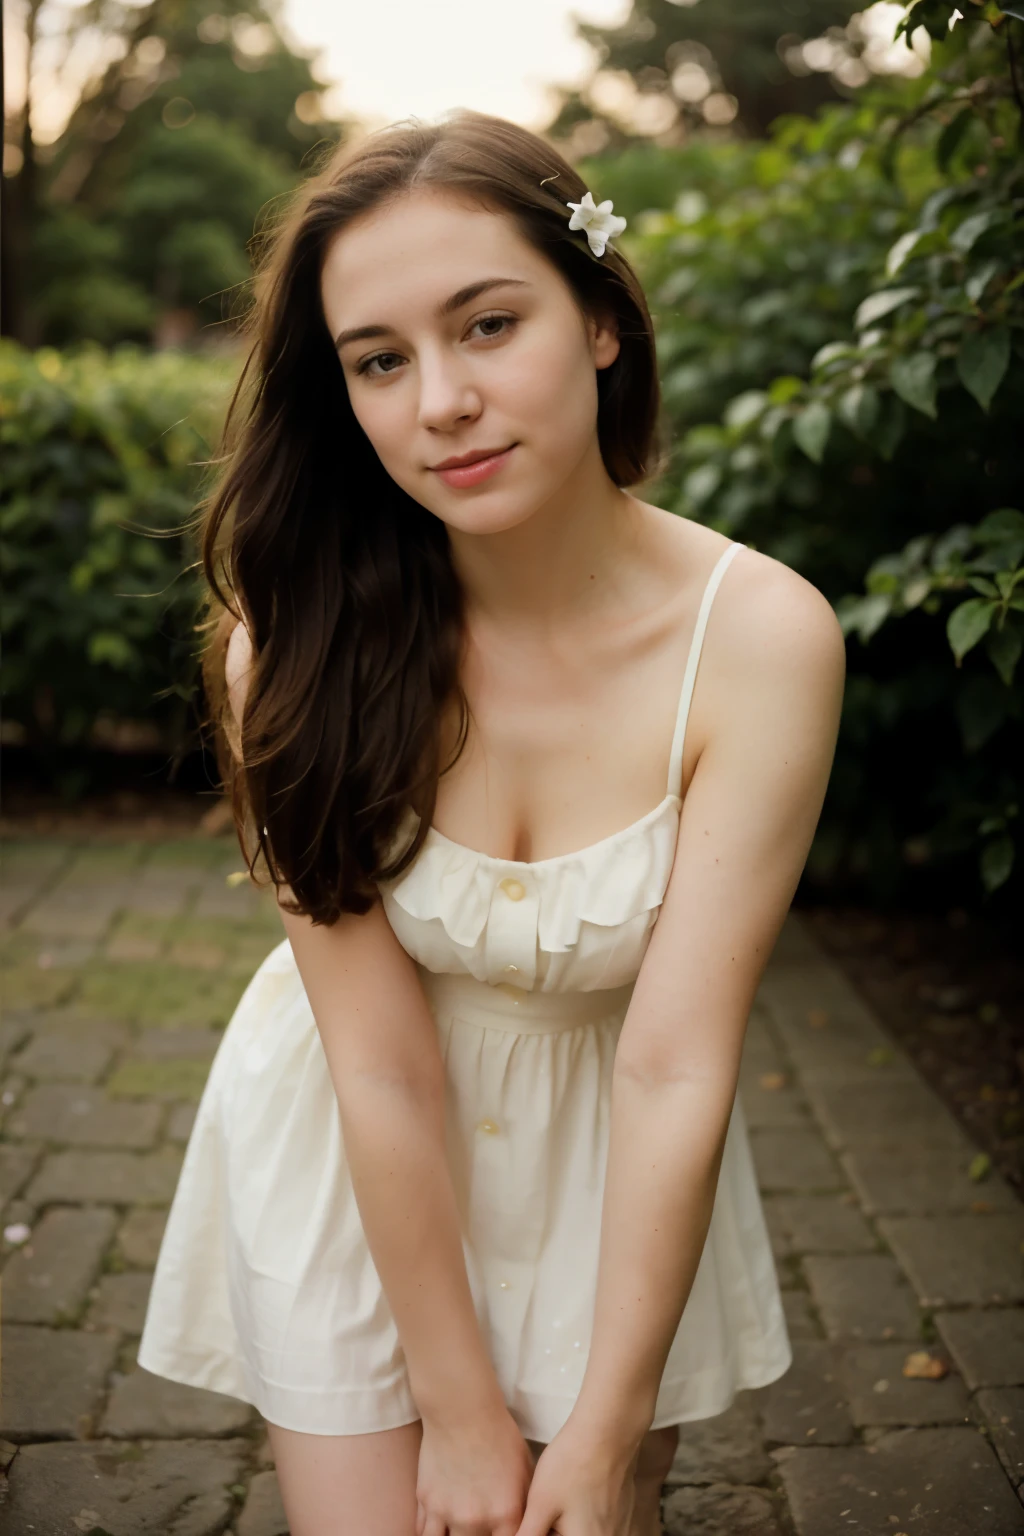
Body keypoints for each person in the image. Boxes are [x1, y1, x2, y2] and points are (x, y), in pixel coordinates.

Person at [138, 109, 845, 1536]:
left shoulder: (760, 638)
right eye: (380, 362)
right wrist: (458, 1419)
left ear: (597, 320)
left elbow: (671, 1064)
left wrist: (600, 1435)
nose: (441, 401)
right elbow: (379, 1062)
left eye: (488, 325)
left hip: (617, 1154)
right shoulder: (291, 643)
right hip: (356, 1139)